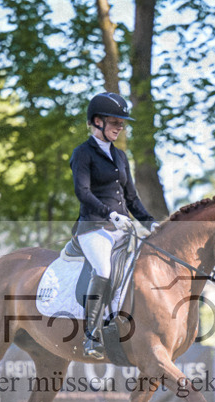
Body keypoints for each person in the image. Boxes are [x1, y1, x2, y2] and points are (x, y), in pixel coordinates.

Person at [69, 92, 159, 359]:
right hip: (94, 228)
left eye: (122, 124)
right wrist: (110, 214)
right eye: (115, 123)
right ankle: (91, 336)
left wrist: (151, 223)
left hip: (121, 230)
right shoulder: (82, 153)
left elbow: (131, 197)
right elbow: (83, 192)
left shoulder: (120, 156)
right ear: (97, 122)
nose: (120, 128)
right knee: (104, 269)